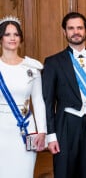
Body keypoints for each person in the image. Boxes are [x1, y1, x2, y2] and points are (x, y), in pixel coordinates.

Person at [42, 12, 86, 178]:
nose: (76, 32)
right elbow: (48, 102)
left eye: (80, 28)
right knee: (64, 173)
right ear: (64, 32)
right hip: (65, 126)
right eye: (71, 28)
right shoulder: (53, 62)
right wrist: (50, 135)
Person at [0, 16, 46, 178]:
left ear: (21, 38)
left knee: (24, 173)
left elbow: (39, 101)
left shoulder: (32, 67)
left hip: (26, 129)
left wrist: (42, 131)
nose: (12, 38)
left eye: (16, 34)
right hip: (1, 130)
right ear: (1, 39)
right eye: (7, 34)